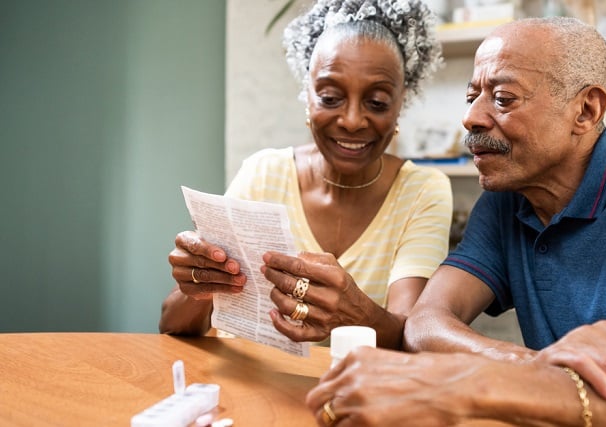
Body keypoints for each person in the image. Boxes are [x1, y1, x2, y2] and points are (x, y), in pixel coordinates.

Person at [305, 16, 606, 426]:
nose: (471, 118)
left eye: (503, 98)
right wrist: (533, 366)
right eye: (473, 97)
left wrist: (474, 382)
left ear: (586, 110)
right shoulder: (507, 198)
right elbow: (425, 323)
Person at [158, 0, 452, 350]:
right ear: (307, 96)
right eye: (330, 98)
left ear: (400, 103)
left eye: (376, 102)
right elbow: (171, 325)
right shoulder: (264, 173)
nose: (353, 120)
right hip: (243, 387)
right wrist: (200, 283)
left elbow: (408, 338)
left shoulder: (421, 191)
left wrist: (354, 312)